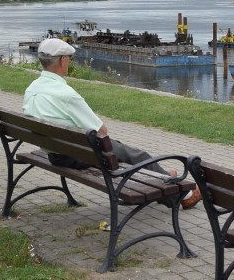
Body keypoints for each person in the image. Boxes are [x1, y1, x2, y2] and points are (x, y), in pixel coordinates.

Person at [23, 38, 201, 209]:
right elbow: (101, 131)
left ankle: (163, 176)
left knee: (125, 152)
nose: (70, 61)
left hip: (55, 154)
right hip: (77, 155)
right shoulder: (65, 94)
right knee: (137, 156)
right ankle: (182, 195)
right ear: (62, 60)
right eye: (69, 58)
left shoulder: (32, 89)